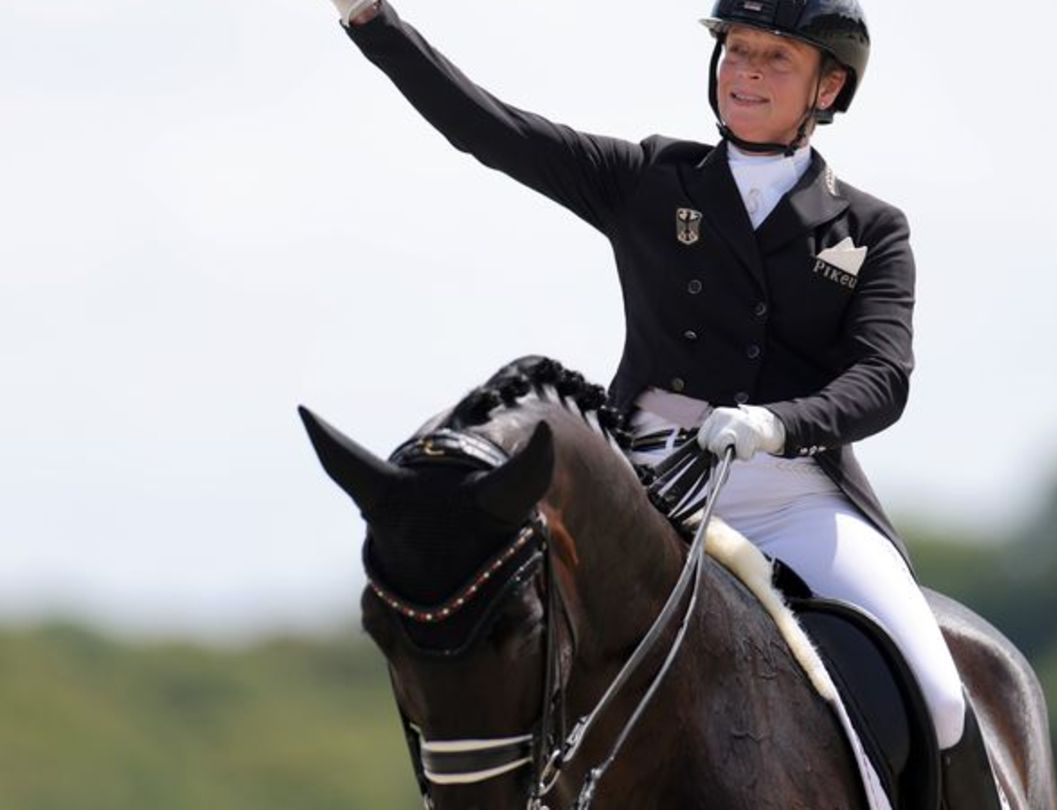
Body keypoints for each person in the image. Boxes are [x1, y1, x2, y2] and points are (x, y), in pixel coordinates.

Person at [328, 0, 969, 752]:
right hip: (646, 486)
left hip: (792, 493)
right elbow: (491, 131)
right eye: (737, 50)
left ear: (827, 89)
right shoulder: (650, 179)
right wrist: (373, 21)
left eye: (776, 59)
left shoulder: (868, 228)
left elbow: (882, 377)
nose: (747, 72)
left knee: (940, 695)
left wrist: (778, 423)